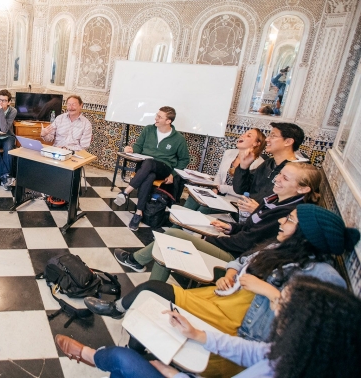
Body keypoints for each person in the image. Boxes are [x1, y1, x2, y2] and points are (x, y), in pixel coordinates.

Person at [86, 204, 357, 345]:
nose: (283, 222)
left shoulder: (322, 276)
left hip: (236, 321)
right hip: (224, 296)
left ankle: (118, 310)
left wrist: (267, 290)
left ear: (308, 235)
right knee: (154, 292)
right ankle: (122, 314)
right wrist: (229, 272)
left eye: (290, 221)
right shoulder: (280, 247)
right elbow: (242, 260)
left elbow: (300, 324)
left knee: (153, 291)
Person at [56, 274, 361, 378]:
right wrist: (197, 334)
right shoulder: (292, 354)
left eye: (282, 306)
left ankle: (88, 355)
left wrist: (176, 374)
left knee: (123, 359)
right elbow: (249, 350)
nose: (275, 309)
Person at [110, 161, 321, 283]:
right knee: (174, 238)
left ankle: (143, 273)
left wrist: (213, 239)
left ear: (303, 189)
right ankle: (145, 277)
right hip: (235, 242)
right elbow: (249, 228)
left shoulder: (286, 213)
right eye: (280, 175)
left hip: (236, 256)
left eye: (285, 178)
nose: (277, 180)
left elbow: (247, 242)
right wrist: (231, 226)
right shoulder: (275, 200)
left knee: (173, 236)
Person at [114, 106, 190, 231]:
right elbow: (138, 146)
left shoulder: (178, 139)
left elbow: (184, 160)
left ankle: (126, 192)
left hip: (164, 168)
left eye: (160, 117)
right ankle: (138, 213)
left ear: (168, 121)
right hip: (145, 167)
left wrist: (172, 174)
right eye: (157, 115)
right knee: (149, 176)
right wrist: (131, 149)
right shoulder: (148, 129)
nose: (156, 118)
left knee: (150, 162)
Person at [184, 128, 266, 213]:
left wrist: (224, 189)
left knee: (203, 209)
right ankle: (176, 226)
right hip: (218, 193)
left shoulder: (259, 164)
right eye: (244, 133)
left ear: (256, 143)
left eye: (248, 135)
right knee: (193, 198)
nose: (242, 135)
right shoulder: (229, 153)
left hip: (235, 200)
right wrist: (215, 189)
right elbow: (219, 175)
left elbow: (248, 191)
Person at [233, 122, 304, 210]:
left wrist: (259, 210)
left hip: (263, 221)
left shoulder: (298, 170)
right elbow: (240, 189)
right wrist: (243, 167)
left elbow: (289, 209)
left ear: (288, 142)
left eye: (273, 136)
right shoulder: (269, 163)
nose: (267, 139)